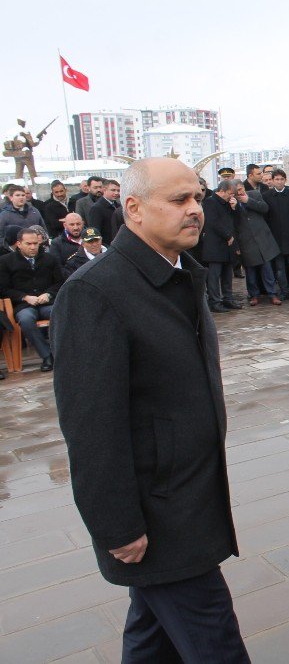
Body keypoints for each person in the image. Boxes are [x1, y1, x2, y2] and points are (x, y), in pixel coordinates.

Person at [52, 157, 250, 663]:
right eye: (179, 200)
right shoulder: (96, 292)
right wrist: (115, 524)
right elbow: (91, 425)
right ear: (134, 209)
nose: (195, 211)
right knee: (215, 644)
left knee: (152, 638)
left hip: (188, 492)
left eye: (199, 198)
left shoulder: (179, 272)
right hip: (160, 512)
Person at [0, 226, 63, 371]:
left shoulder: (50, 259)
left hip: (47, 303)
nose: (33, 247)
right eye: (29, 244)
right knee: (26, 319)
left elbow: (60, 282)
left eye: (36, 243)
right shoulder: (5, 262)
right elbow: (3, 289)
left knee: (60, 313)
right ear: (19, 243)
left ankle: (61, 352)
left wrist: (48, 294)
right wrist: (24, 297)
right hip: (23, 305)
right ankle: (47, 356)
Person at [233, 182, 281, 306]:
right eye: (237, 190)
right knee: (250, 270)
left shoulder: (254, 194)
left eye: (241, 189)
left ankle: (272, 293)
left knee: (267, 268)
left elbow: (265, 208)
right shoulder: (231, 202)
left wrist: (248, 201)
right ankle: (254, 295)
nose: (240, 192)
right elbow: (232, 220)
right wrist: (235, 207)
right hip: (246, 240)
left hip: (262, 238)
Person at [201, 180, 242, 313]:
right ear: (222, 191)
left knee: (227, 274)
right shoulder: (210, 202)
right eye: (229, 194)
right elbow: (213, 222)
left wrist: (235, 207)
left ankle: (228, 299)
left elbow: (236, 220)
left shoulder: (228, 204)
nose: (231, 197)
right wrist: (227, 235)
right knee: (214, 275)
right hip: (214, 245)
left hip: (228, 245)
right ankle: (215, 301)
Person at [264, 169, 289, 301]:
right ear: (272, 181)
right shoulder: (267, 196)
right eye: (277, 179)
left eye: (282, 179)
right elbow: (266, 218)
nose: (279, 182)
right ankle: (284, 290)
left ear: (285, 180)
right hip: (276, 238)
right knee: (280, 268)